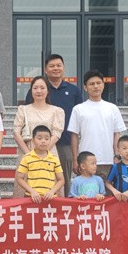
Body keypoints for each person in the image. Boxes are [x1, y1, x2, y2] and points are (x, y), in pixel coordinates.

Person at [25, 54, 83, 200]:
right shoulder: (39, 89)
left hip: (64, 143)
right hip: (37, 144)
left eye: (58, 65)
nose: (55, 68)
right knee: (36, 177)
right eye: (51, 66)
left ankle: (63, 206)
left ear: (64, 68)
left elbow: (78, 118)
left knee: (62, 179)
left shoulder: (74, 90)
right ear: (46, 69)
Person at [14, 125, 65, 254]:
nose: (43, 141)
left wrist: (52, 191)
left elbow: (61, 179)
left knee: (50, 234)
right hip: (32, 202)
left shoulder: (54, 158)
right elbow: (19, 178)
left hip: (50, 202)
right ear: (33, 140)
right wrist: (32, 191)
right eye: (39, 138)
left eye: (46, 138)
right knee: (33, 234)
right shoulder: (27, 157)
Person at [68, 70, 126, 181]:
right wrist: (75, 159)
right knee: (86, 190)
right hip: (85, 160)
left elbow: (116, 134)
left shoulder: (112, 108)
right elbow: (74, 136)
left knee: (107, 190)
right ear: (85, 88)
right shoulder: (78, 109)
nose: (95, 86)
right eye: (91, 84)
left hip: (107, 160)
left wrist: (117, 155)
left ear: (103, 85)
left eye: (98, 83)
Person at [13, 76, 65, 197]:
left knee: (50, 188)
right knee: (24, 189)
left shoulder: (57, 111)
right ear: (31, 90)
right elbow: (16, 132)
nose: (39, 91)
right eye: (35, 88)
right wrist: (30, 154)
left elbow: (56, 133)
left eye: (42, 87)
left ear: (48, 90)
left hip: (48, 154)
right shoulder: (23, 109)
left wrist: (42, 152)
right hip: (27, 152)